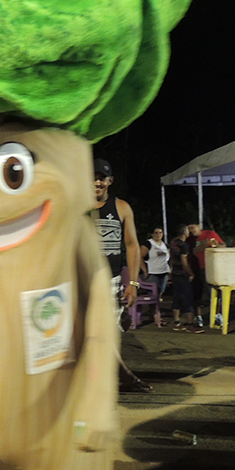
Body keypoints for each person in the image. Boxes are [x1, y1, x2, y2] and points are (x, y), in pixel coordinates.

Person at [92, 158, 151, 392]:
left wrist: (133, 283)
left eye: (101, 178)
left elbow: (132, 245)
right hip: (83, 280)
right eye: (92, 178)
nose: (97, 183)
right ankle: (122, 376)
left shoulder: (121, 207)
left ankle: (113, 377)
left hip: (111, 281)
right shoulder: (76, 206)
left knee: (108, 333)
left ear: (110, 181)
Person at [186, 222, 225, 326]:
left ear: (199, 227)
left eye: (193, 227)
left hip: (211, 267)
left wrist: (217, 246)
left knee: (215, 292)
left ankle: (217, 314)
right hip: (196, 268)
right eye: (189, 228)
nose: (192, 230)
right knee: (197, 293)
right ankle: (198, 316)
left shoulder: (210, 234)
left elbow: (223, 245)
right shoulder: (189, 239)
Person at [169, 224, 203, 333]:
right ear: (185, 232)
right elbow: (184, 261)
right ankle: (190, 324)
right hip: (182, 274)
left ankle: (176, 322)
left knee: (177, 298)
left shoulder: (174, 243)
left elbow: (171, 259)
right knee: (188, 298)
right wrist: (191, 273)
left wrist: (170, 272)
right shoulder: (184, 245)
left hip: (175, 273)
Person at [140, 226, 170, 327]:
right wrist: (145, 270)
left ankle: (153, 314)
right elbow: (139, 256)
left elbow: (168, 258)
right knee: (153, 295)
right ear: (152, 234)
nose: (158, 235)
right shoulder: (148, 244)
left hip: (164, 272)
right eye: (156, 232)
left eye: (160, 232)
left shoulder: (165, 245)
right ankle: (156, 316)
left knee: (160, 294)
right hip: (153, 273)